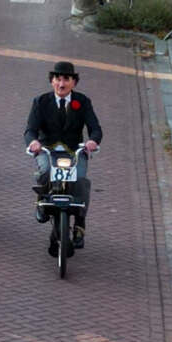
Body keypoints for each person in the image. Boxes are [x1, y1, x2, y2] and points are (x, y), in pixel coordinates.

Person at [23, 61, 104, 239]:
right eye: (58, 79)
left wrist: (92, 141)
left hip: (74, 151)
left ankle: (80, 223)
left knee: (80, 179)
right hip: (48, 150)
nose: (61, 84)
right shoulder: (41, 101)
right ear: (52, 81)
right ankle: (42, 199)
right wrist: (33, 142)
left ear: (74, 82)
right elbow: (30, 130)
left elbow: (95, 128)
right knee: (45, 171)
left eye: (66, 79)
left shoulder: (82, 101)